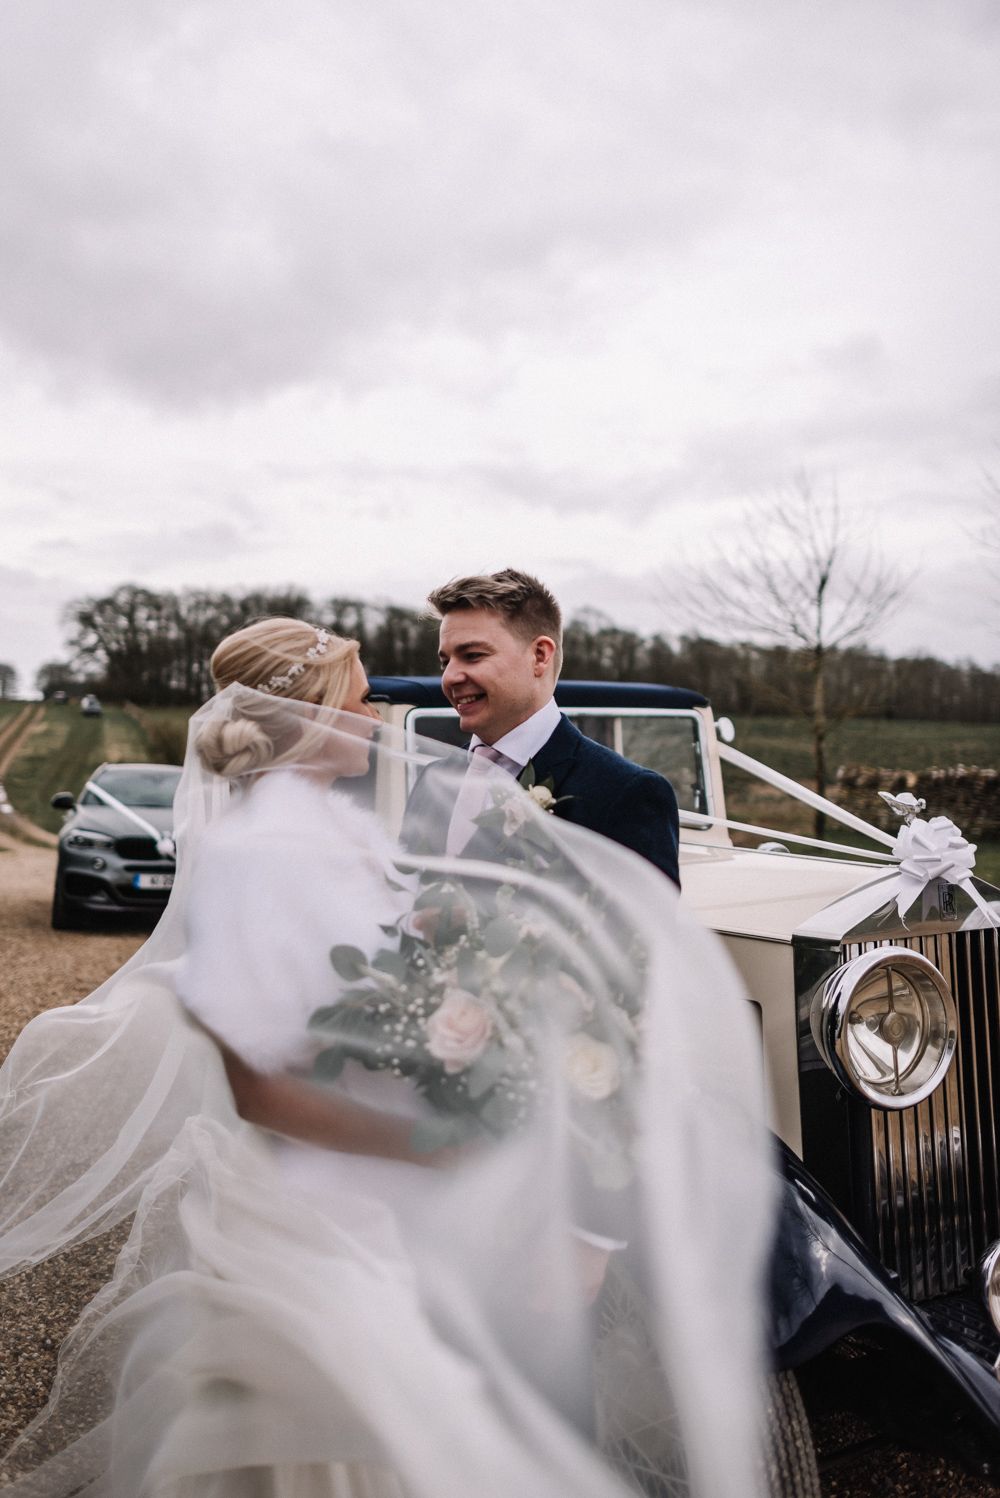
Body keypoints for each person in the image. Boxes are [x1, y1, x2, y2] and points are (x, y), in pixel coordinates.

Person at [0, 616, 773, 1498]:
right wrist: (440, 1147)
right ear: (311, 713)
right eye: (364, 696)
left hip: (381, 1205)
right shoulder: (258, 851)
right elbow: (258, 1087)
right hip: (316, 1210)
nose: (379, 714)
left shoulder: (342, 830)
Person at [420, 569, 681, 886]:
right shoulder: (433, 778)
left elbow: (645, 918)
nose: (449, 677)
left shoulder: (626, 793)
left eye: (472, 656)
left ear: (540, 656)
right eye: (445, 662)